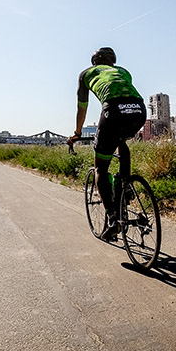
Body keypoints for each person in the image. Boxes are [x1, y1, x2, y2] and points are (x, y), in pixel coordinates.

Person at [69, 47, 146, 240]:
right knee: (121, 138)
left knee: (101, 170)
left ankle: (112, 217)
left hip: (113, 110)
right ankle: (125, 184)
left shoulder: (85, 74)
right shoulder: (123, 71)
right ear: (113, 62)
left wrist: (78, 133)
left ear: (94, 62)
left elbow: (82, 108)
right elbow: (124, 94)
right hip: (139, 108)